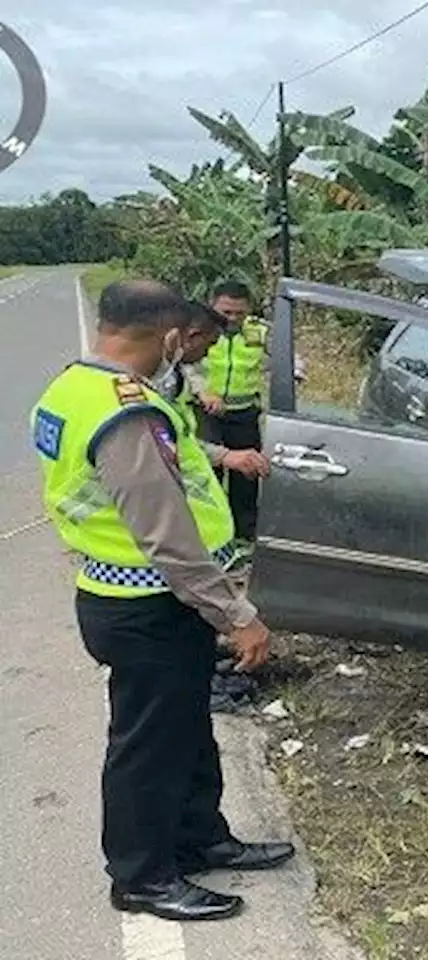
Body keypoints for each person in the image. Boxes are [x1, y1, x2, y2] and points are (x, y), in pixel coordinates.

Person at [30, 279, 294, 923]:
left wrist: (222, 452)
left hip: (133, 598)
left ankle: (199, 838)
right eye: (185, 340)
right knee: (148, 745)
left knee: (186, 731)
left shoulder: (74, 387)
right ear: (169, 335)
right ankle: (143, 877)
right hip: (148, 604)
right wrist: (238, 615)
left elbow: (170, 454)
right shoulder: (127, 409)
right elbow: (168, 538)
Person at [190, 281, 269, 550]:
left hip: (244, 414)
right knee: (206, 473)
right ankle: (206, 536)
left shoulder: (259, 332)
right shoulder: (198, 331)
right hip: (207, 413)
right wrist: (203, 392)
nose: (232, 318)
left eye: (239, 313)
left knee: (247, 476)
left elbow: (285, 358)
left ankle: (244, 536)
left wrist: (295, 370)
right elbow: (185, 367)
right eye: (226, 312)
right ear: (212, 307)